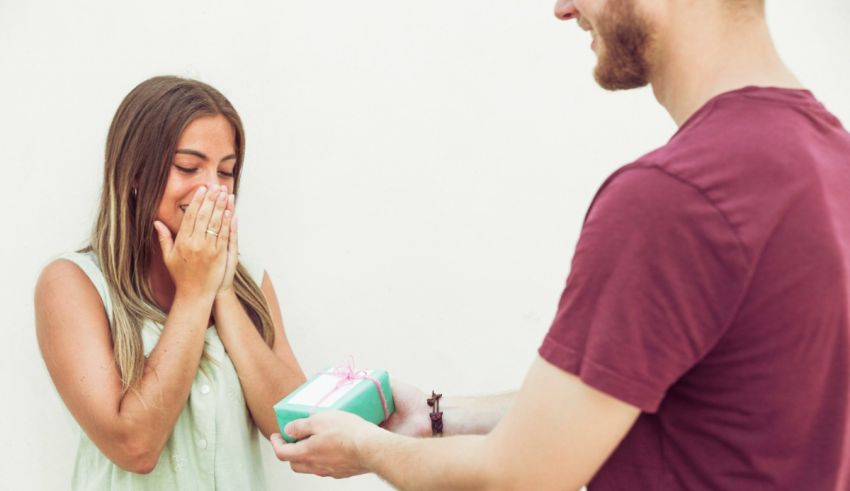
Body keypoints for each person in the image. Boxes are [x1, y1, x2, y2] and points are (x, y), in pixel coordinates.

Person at [271, 0, 850, 489]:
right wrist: (435, 414)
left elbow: (520, 474)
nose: (562, 8)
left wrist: (367, 449)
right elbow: (637, 401)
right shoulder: (830, 159)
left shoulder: (674, 196)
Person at [35, 76, 306, 489]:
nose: (213, 189)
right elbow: (135, 446)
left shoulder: (250, 279)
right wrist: (194, 294)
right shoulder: (71, 284)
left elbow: (296, 426)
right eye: (188, 167)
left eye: (227, 171)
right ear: (136, 172)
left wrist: (223, 292)